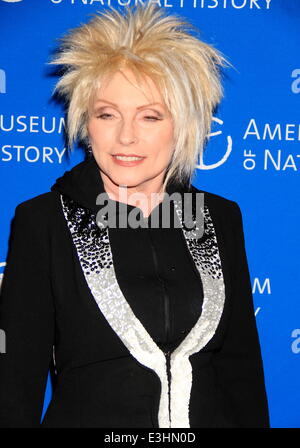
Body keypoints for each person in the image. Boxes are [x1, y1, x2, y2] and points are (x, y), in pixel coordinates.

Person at [0, 3, 270, 428]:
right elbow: (14, 383)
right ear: (86, 123)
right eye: (107, 114)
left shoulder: (218, 218)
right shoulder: (45, 222)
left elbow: (242, 372)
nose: (126, 136)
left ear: (183, 125)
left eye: (150, 116)